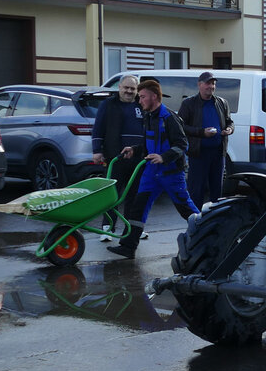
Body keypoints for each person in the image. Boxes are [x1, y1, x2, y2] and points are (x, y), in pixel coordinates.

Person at [107, 79, 197, 260]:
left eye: (142, 97)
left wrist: (164, 157)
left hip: (171, 174)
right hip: (151, 172)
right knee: (137, 209)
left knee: (186, 210)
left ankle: (210, 234)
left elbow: (182, 145)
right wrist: (135, 149)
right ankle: (128, 247)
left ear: (154, 97)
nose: (139, 101)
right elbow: (147, 143)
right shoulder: (148, 116)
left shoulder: (169, 118)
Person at [91, 75, 144, 236]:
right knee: (111, 194)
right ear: (119, 87)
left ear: (137, 90)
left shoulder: (141, 105)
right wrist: (96, 151)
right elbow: (98, 128)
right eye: (126, 87)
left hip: (138, 159)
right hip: (114, 157)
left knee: (135, 196)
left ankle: (132, 229)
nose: (129, 91)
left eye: (132, 88)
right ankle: (107, 228)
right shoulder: (108, 105)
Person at [178, 71, 234, 208]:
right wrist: (201, 132)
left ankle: (215, 221)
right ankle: (195, 222)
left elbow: (229, 122)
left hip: (218, 153)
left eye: (213, 83)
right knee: (196, 191)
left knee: (217, 192)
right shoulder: (189, 103)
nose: (211, 86)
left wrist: (229, 129)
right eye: (208, 83)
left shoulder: (222, 102)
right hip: (198, 154)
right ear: (199, 85)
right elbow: (180, 126)